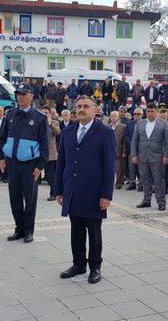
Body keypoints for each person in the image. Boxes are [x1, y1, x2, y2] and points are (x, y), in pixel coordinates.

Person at [55, 95, 115, 284]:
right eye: (79, 106)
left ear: (94, 110)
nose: (81, 109)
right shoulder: (68, 132)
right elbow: (61, 162)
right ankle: (78, 264)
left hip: (94, 192)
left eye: (86, 106)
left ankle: (95, 266)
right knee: (76, 230)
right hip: (73, 191)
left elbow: (109, 165)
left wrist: (106, 194)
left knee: (94, 232)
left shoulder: (104, 132)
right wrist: (59, 189)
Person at [0, 84, 48, 244]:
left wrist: (40, 166)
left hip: (30, 165)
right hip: (12, 163)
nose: (20, 97)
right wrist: (0, 157)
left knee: (30, 199)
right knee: (15, 198)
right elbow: (2, 138)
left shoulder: (39, 117)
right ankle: (19, 229)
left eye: (23, 94)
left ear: (31, 96)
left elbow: (44, 144)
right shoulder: (10, 115)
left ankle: (28, 230)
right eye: (18, 94)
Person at [130, 103, 168, 211]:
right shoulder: (140, 123)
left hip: (157, 156)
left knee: (158, 181)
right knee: (145, 180)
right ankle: (146, 200)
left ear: (156, 112)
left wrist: (166, 155)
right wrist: (134, 154)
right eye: (148, 111)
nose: (150, 113)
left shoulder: (163, 123)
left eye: (152, 111)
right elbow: (134, 140)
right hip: (142, 156)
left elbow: (167, 142)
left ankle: (161, 202)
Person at [43, 106, 61, 201]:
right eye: (43, 112)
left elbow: (58, 132)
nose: (44, 114)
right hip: (38, 153)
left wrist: (49, 123)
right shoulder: (38, 123)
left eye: (46, 112)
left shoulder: (54, 122)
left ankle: (54, 193)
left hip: (50, 153)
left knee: (50, 175)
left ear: (50, 114)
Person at [125, 108, 143, 191]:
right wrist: (132, 145)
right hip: (131, 149)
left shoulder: (145, 123)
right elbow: (126, 136)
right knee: (131, 167)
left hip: (142, 150)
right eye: (135, 113)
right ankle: (132, 183)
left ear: (142, 115)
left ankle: (141, 184)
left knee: (141, 168)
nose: (136, 115)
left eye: (138, 114)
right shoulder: (129, 124)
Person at [108, 111, 127, 189]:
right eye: (112, 116)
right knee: (109, 168)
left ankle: (119, 183)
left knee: (119, 168)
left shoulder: (123, 127)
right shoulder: (107, 127)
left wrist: (124, 151)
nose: (113, 117)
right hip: (108, 151)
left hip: (119, 150)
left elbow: (125, 140)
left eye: (115, 116)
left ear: (118, 117)